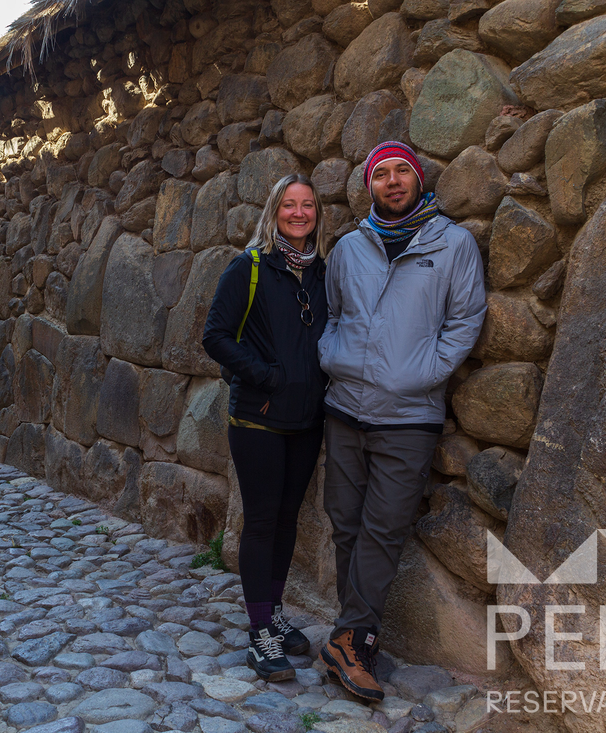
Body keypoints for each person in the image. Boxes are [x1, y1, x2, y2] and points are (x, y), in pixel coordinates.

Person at [317, 141, 487, 701]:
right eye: (381, 174)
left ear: (418, 179)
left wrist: (424, 372)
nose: (392, 181)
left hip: (409, 416)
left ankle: (351, 639)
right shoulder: (347, 249)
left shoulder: (453, 243)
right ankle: (355, 641)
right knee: (345, 522)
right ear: (370, 186)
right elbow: (334, 314)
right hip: (345, 408)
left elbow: (465, 320)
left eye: (401, 172)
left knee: (384, 529)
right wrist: (332, 355)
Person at [203, 174, 330, 682]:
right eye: (289, 205)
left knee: (285, 521)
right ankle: (260, 635)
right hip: (257, 419)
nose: (299, 214)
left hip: (306, 421)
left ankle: (274, 614)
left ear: (317, 214)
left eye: (308, 206)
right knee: (259, 522)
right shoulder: (249, 267)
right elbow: (215, 335)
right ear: (273, 211)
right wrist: (266, 376)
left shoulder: (320, 273)